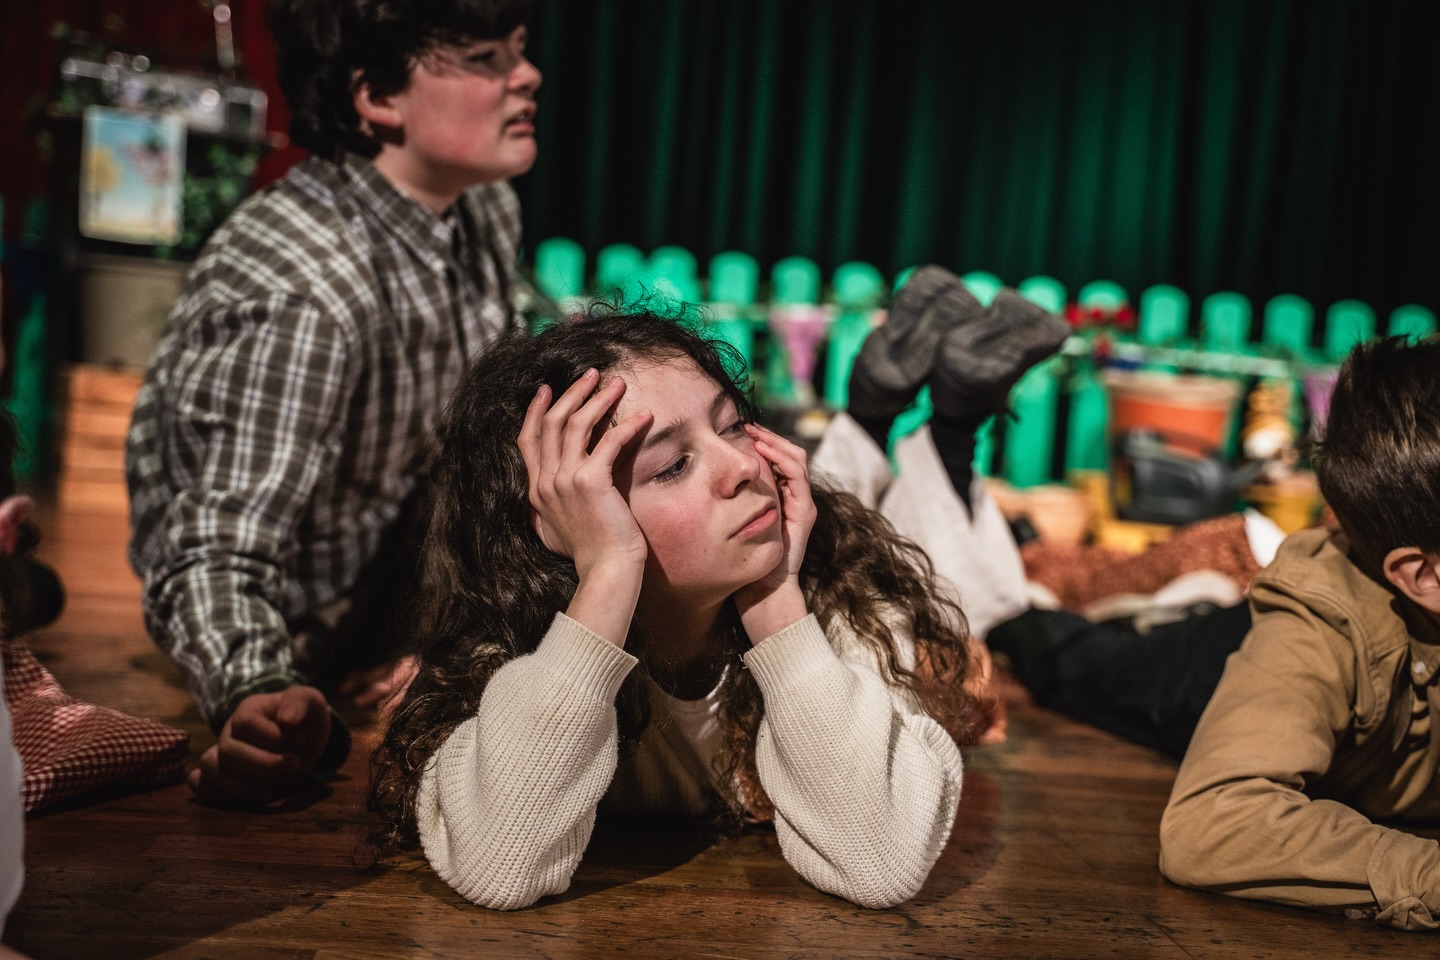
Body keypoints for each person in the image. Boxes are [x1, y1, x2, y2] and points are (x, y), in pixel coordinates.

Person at [367, 304, 1001, 910]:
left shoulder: (842, 605)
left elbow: (882, 863)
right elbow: (499, 866)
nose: (742, 467)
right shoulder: (518, 648)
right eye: (671, 466)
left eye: (731, 426)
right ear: (565, 515)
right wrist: (609, 572)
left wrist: (776, 595)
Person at [125, 0, 540, 806]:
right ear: (377, 98)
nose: (526, 76)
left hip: (384, 568)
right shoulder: (307, 288)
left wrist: (451, 635)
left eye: (519, 50)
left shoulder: (483, 207)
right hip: (304, 621)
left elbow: (484, 441)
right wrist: (256, 690)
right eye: (486, 57)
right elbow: (212, 547)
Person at [1160, 335, 1440, 932]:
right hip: (1204, 669)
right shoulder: (1319, 622)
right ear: (1426, 575)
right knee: (1083, 659)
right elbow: (1212, 825)